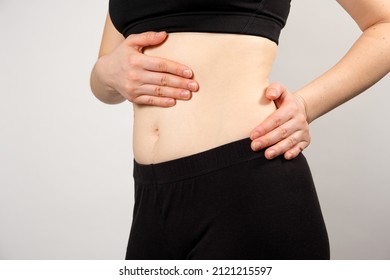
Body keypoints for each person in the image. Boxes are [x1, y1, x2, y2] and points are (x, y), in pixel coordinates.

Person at [90, 0, 390, 259]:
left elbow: (385, 22)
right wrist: (106, 72)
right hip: (151, 199)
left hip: (246, 186)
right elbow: (105, 77)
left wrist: (305, 105)